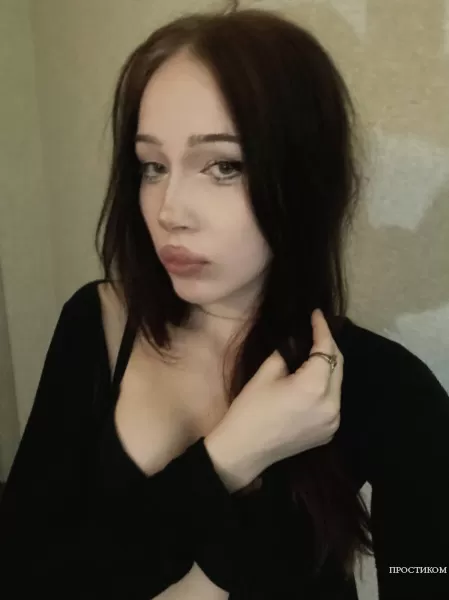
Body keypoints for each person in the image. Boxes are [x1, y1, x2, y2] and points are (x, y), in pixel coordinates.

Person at [1, 4, 448, 600]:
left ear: (306, 177)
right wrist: (232, 455)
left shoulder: (389, 386)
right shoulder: (97, 324)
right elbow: (22, 575)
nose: (169, 211)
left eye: (223, 166)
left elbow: (427, 575)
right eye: (152, 166)